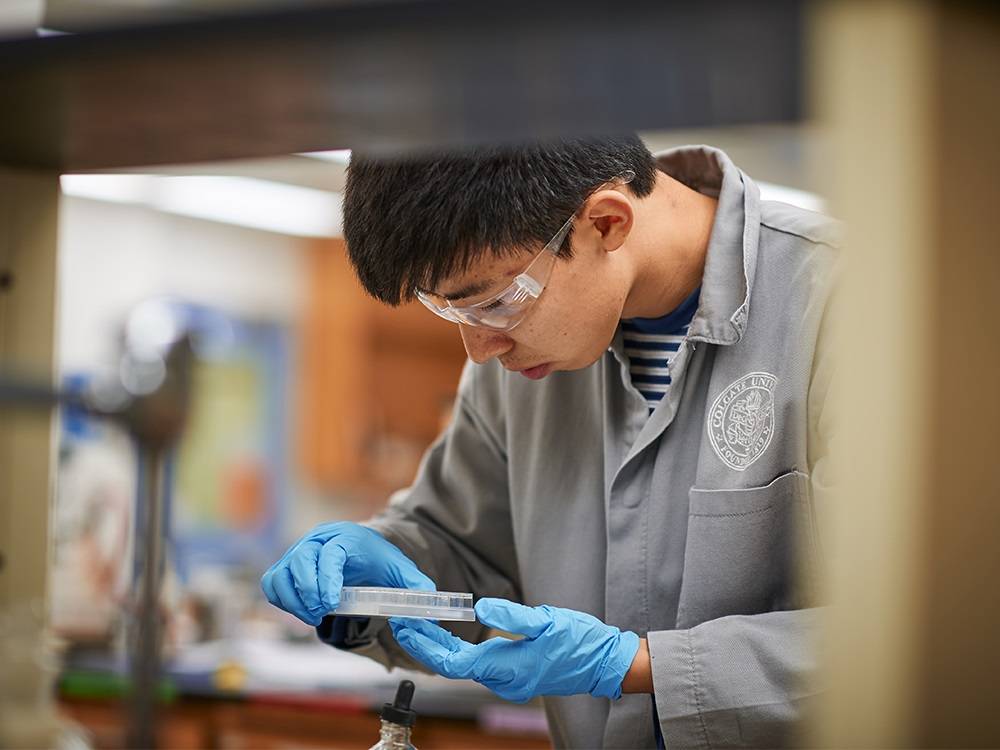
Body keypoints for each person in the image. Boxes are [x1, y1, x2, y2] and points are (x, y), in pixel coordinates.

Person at [261, 136, 839, 749]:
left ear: (607, 223)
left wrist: (638, 667)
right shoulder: (516, 359)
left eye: (494, 303)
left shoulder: (848, 303)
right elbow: (471, 565)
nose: (480, 350)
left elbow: (920, 639)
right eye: (454, 314)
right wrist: (365, 585)